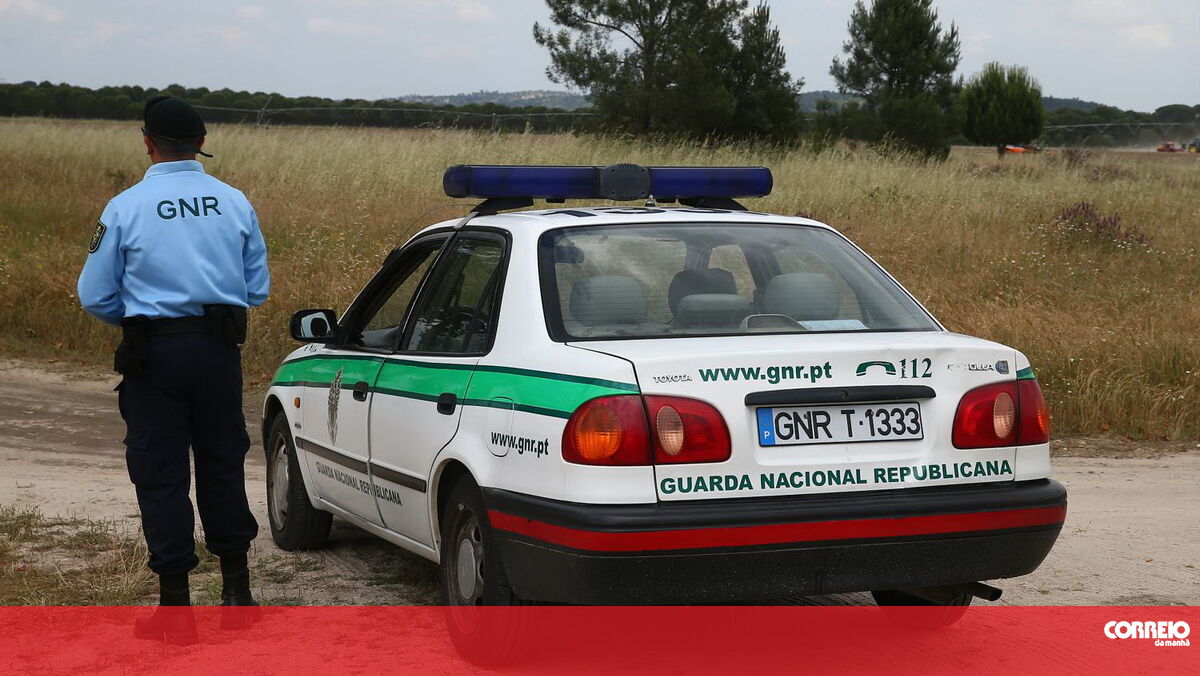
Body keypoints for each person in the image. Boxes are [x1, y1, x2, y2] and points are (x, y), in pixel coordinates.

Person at [77, 96, 270, 643]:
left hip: (154, 355)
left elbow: (94, 294)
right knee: (222, 464)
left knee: (160, 474)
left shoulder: (125, 207)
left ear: (147, 142)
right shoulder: (234, 202)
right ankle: (237, 595)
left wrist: (139, 319)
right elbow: (256, 288)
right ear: (201, 144)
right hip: (218, 354)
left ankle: (176, 610)